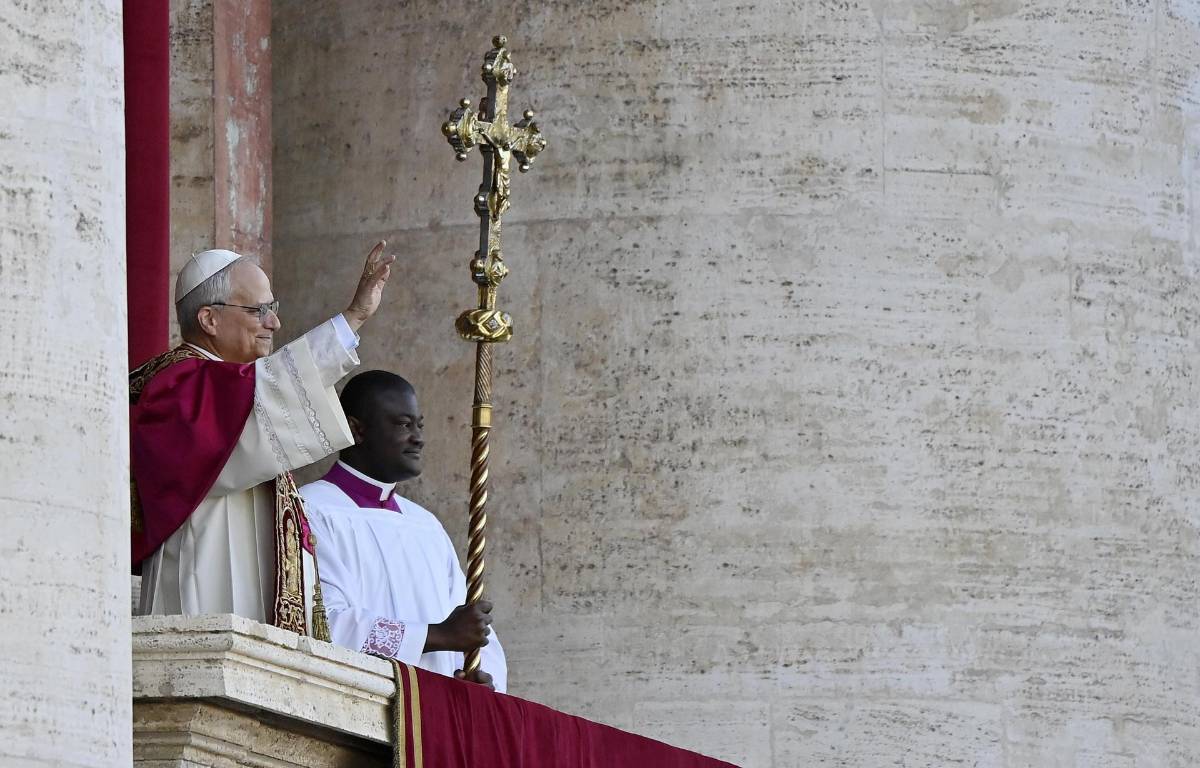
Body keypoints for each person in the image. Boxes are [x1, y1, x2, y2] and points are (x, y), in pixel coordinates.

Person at [133, 242, 395, 639]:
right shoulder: (180, 385)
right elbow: (275, 384)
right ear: (209, 318)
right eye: (258, 310)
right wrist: (352, 318)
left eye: (273, 308)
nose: (273, 323)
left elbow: (270, 387)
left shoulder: (229, 387)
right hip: (206, 587)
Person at [299, 370, 507, 691]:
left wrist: (479, 678)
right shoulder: (311, 510)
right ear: (357, 429)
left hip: (434, 712)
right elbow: (322, 624)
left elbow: (471, 626)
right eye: (402, 424)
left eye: (419, 425)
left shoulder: (425, 526)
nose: (418, 437)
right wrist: (435, 636)